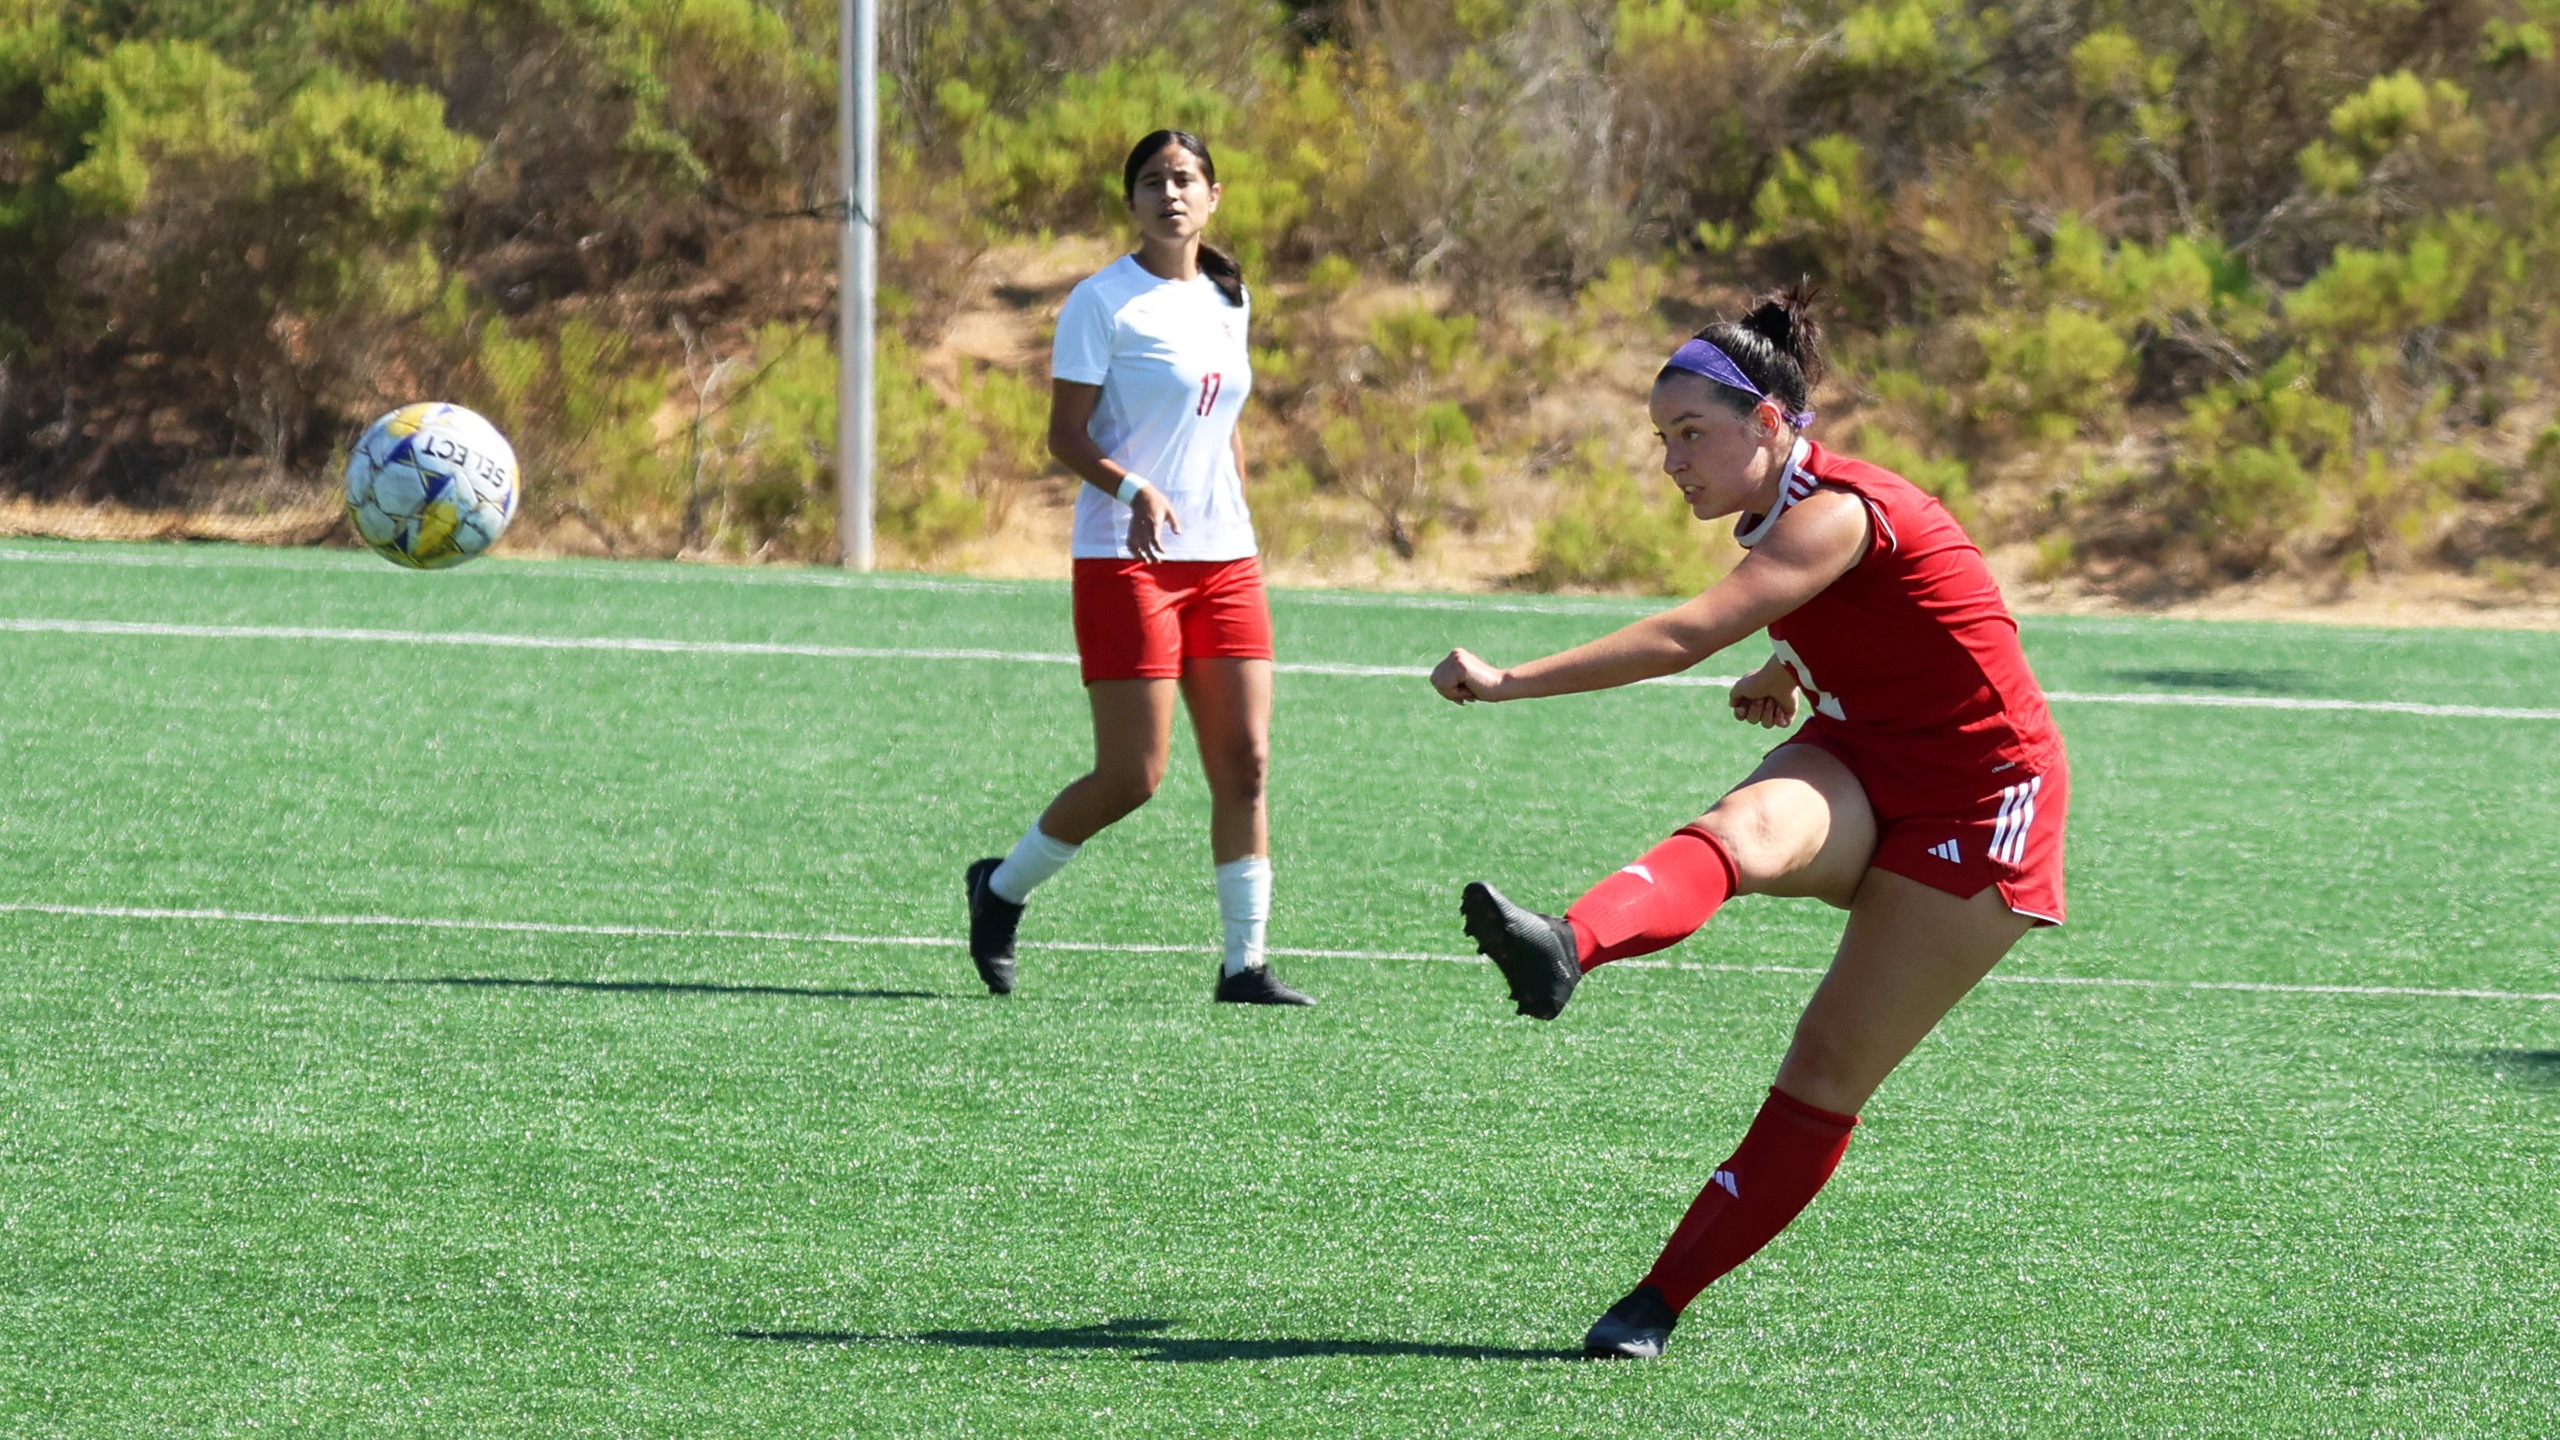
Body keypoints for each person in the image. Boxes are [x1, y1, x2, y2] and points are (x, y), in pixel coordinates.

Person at [1429, 283, 2067, 1358]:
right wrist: (1790, 664)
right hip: (1867, 754)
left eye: (1692, 435)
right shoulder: (1788, 509)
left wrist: (1508, 682)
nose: (1673, 460)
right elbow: (1874, 611)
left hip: (1983, 800)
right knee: (1744, 828)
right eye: (1661, 439)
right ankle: (1564, 946)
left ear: (1769, 423)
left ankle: (1654, 1303)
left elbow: (1689, 632)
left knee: (1824, 1067)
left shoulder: (1832, 510)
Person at [963, 130, 1313, 1007]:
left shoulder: (1232, 294)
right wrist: (1136, 491)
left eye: (1185, 178)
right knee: (1135, 776)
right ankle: (1000, 890)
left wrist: (1238, 511)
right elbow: (1065, 437)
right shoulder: (1101, 302)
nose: (1171, 193)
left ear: (1213, 195)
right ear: (1132, 201)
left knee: (1248, 763)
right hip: (1130, 560)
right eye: (1153, 181)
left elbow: (1224, 419)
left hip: (1226, 562)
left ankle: (1246, 966)